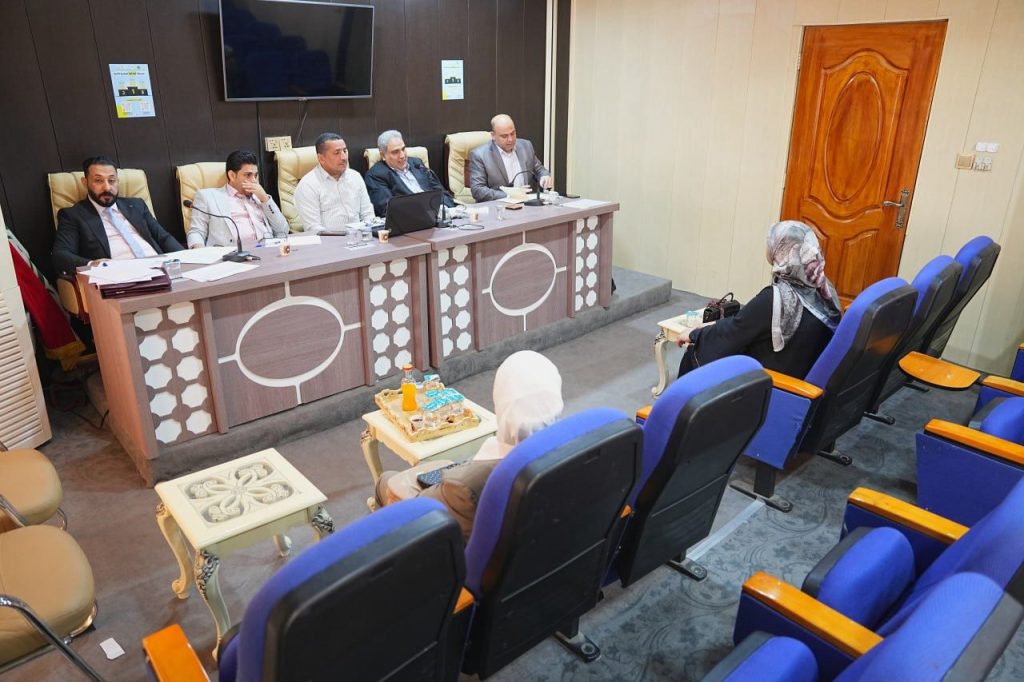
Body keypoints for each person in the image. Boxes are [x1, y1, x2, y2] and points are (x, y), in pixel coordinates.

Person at [374, 350, 564, 540]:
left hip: (463, 548)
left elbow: (421, 513)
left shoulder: (470, 484)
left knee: (387, 480)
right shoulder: (569, 450)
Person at [676, 220, 842, 379]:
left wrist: (695, 334)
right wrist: (710, 327)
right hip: (798, 365)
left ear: (782, 251)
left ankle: (680, 399)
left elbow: (734, 332)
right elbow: (746, 322)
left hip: (772, 379)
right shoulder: (824, 289)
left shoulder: (777, 298)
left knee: (697, 348)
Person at [52, 156, 183, 275]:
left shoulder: (136, 205)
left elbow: (163, 237)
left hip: (161, 269)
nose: (107, 188)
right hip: (122, 277)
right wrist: (91, 264)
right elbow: (60, 255)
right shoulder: (73, 215)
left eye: (112, 180)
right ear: (85, 182)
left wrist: (186, 257)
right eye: (98, 181)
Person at [186, 150, 288, 249]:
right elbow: (197, 232)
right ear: (232, 175)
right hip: (231, 255)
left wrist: (265, 199)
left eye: (256, 175)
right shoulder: (208, 196)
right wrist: (199, 251)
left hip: (268, 251)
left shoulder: (260, 197)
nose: (254, 181)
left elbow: (283, 231)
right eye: (248, 175)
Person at [293, 132, 374, 233]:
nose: (344, 157)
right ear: (321, 158)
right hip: (329, 241)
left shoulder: (355, 177)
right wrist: (345, 236)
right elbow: (313, 228)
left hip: (361, 238)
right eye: (337, 153)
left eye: (345, 151)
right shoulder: (308, 185)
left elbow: (368, 214)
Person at [364, 130, 455, 217]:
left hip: (442, 216)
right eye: (395, 152)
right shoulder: (376, 175)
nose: (402, 155)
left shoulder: (417, 163)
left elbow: (443, 194)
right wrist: (429, 212)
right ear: (383, 155)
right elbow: (388, 209)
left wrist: (444, 209)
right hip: (414, 222)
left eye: (403, 149)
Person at [469, 114, 552, 202]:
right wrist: (510, 194)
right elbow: (477, 190)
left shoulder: (526, 146)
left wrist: (545, 177)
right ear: (493, 135)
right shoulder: (480, 155)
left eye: (512, 133)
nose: (510, 139)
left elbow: (539, 170)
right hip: (498, 206)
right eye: (504, 136)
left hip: (526, 204)